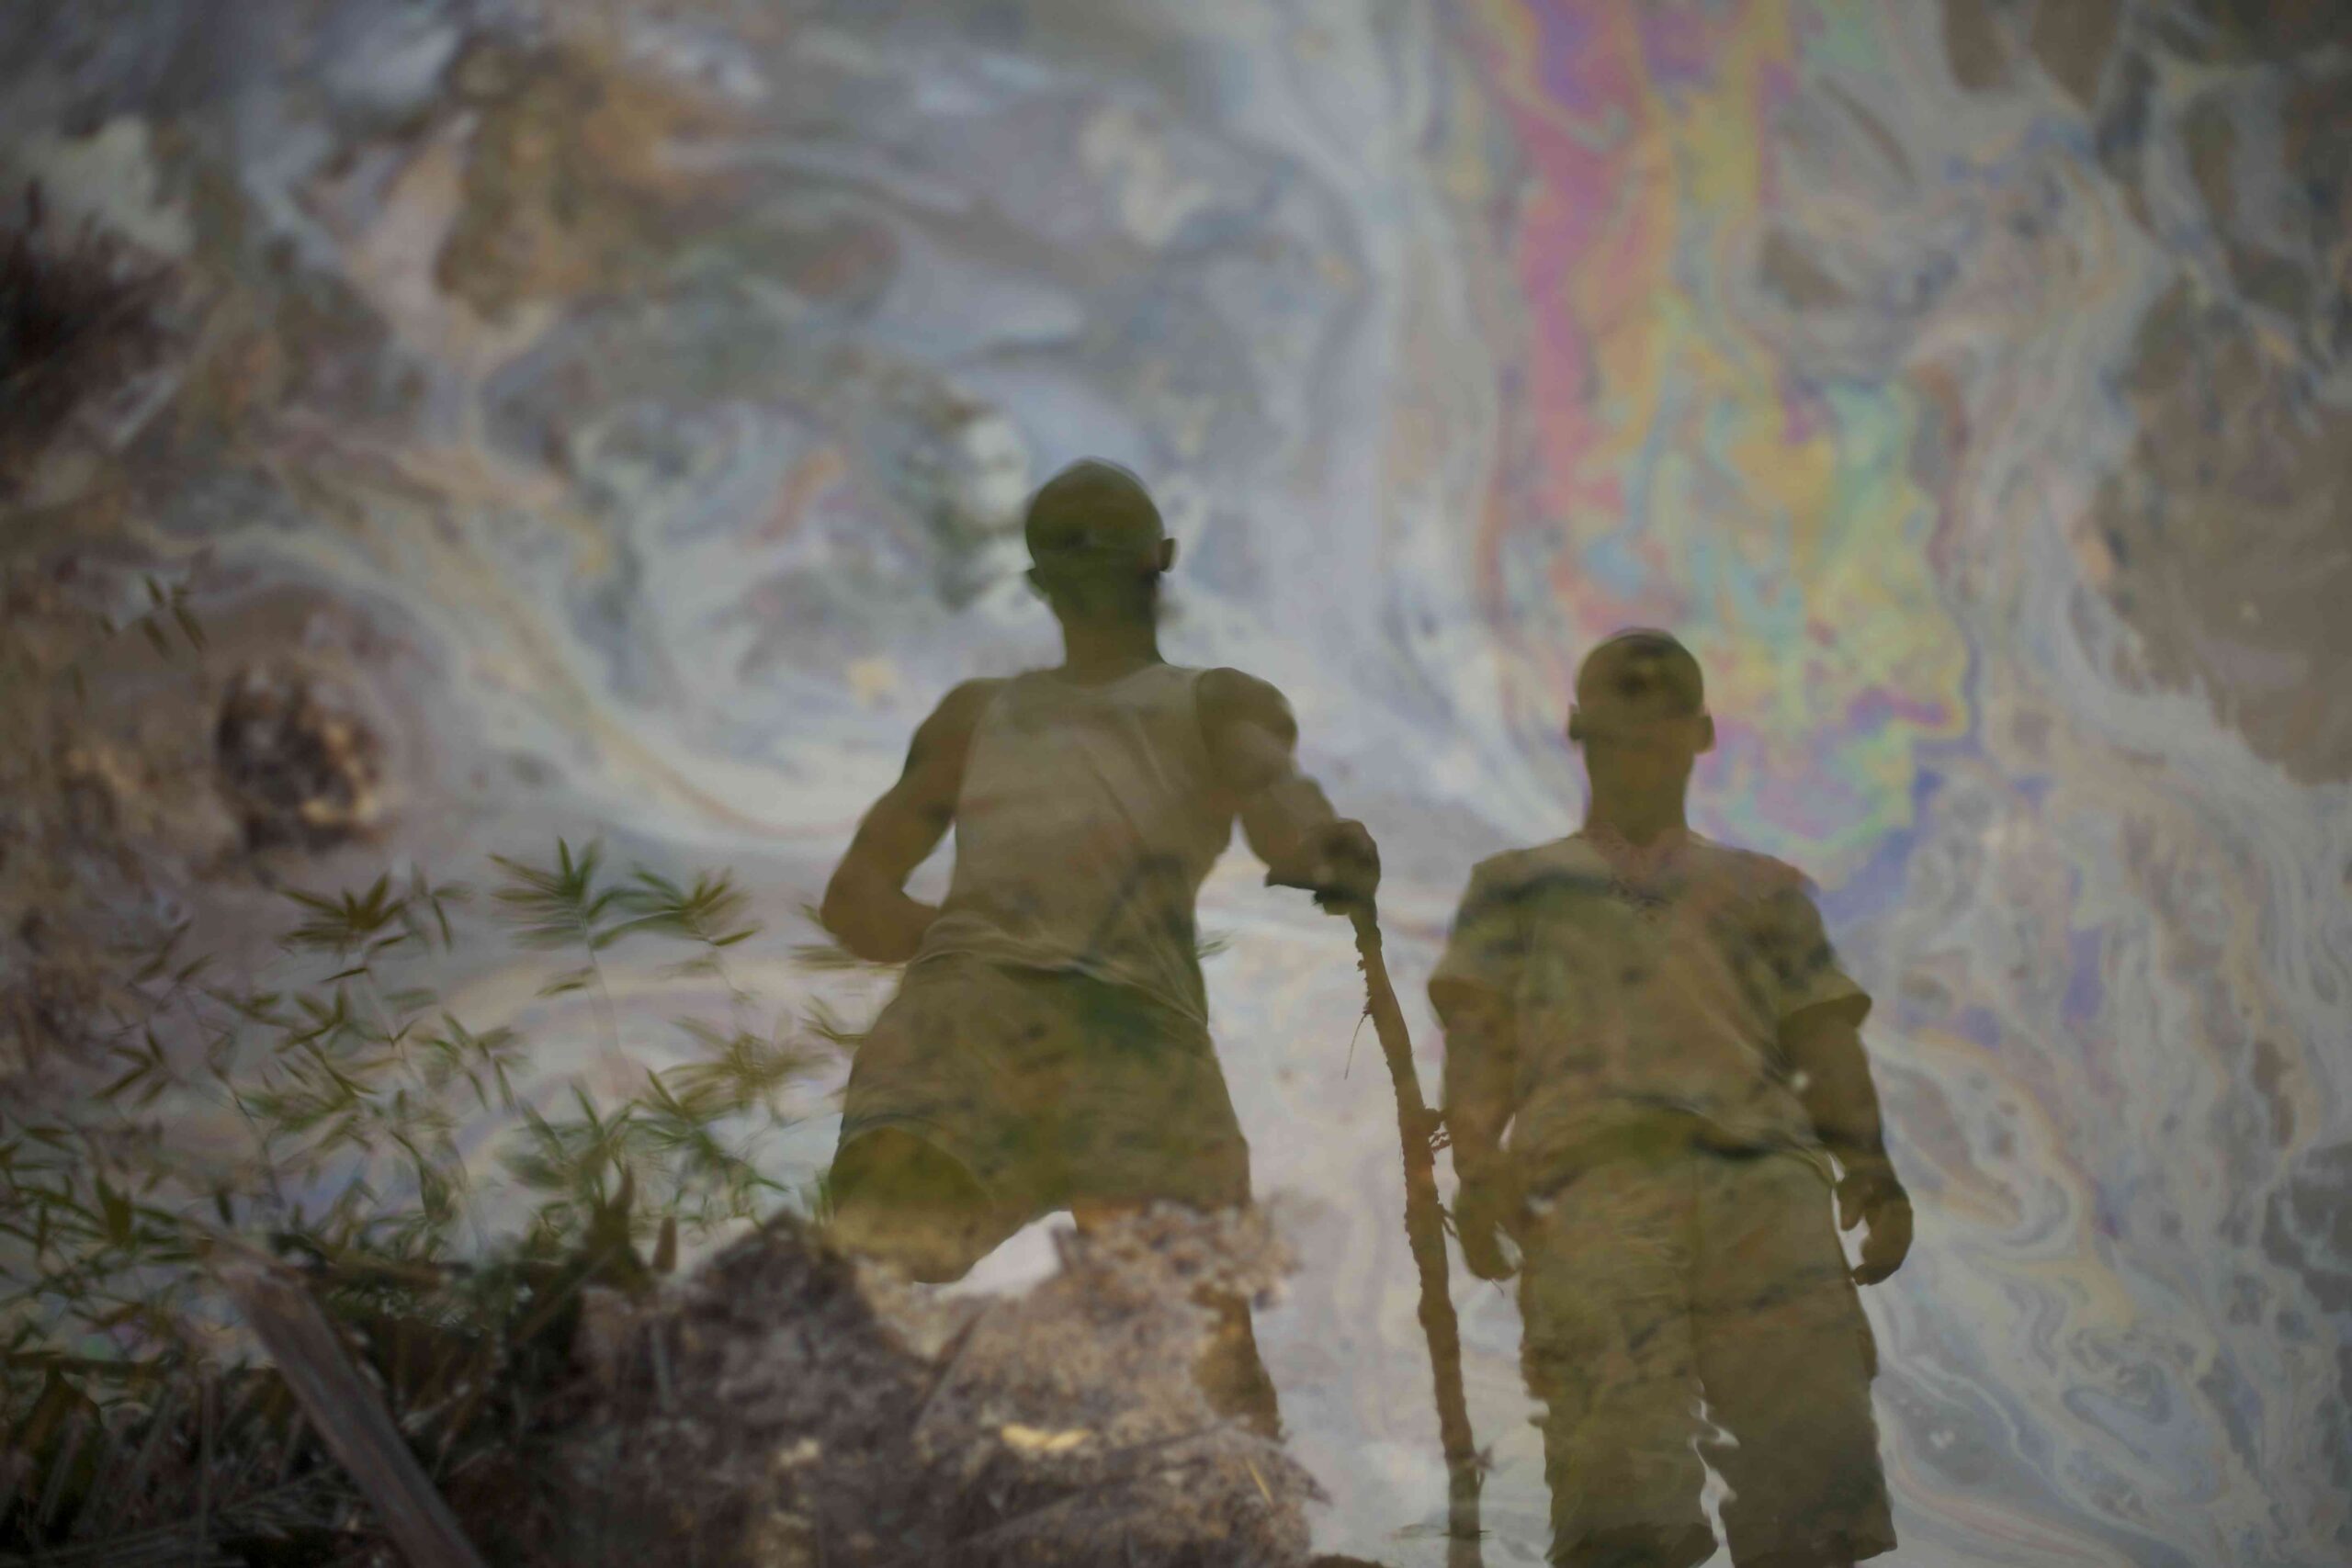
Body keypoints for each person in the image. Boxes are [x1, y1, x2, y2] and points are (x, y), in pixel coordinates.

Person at [818, 457, 1377, 1435]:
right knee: (874, 1307)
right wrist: (971, 952)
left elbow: (857, 901)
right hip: (1076, 1043)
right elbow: (856, 896)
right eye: (1075, 539)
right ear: (1155, 560)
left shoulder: (1187, 703)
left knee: (1197, 1368)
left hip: (1059, 1040)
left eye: (1090, 536)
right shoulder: (1014, 712)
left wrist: (969, 953)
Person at [1429, 629, 1912, 1568]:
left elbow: (1824, 1040)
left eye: (1664, 703)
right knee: (1622, 1513)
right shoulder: (1516, 887)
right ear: (1578, 725)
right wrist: (1480, 1166)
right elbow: (1480, 1041)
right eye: (1622, 698)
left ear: (1701, 732)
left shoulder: (1766, 891)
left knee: (1808, 1503)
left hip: (1766, 1197)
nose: (1643, 720)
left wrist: (1874, 1173)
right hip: (1591, 1194)